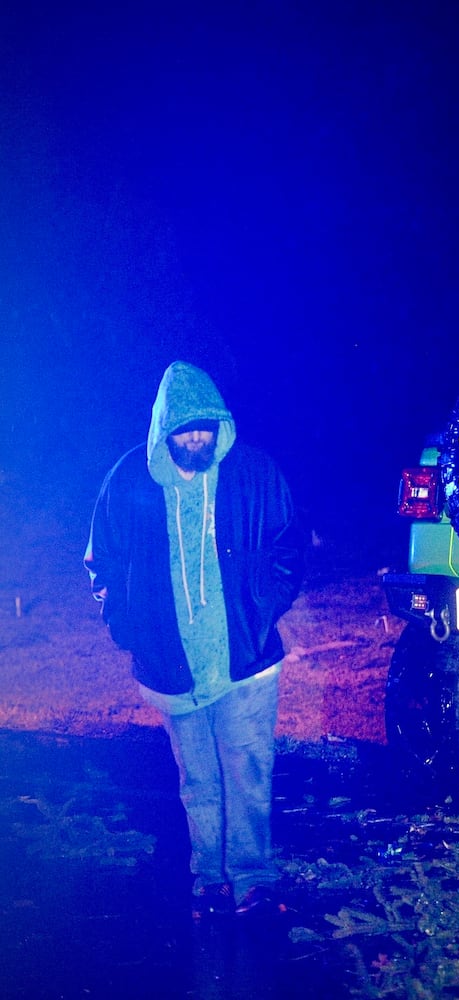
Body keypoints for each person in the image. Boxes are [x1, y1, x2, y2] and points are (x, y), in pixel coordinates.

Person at [85, 361, 306, 919]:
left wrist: (261, 610)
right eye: (184, 429)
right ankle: (208, 879)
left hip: (246, 663)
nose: (196, 438)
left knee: (248, 774)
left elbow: (288, 548)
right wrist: (128, 627)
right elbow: (102, 562)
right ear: (164, 429)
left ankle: (254, 879)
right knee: (200, 781)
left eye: (205, 427)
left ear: (220, 425)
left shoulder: (253, 473)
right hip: (172, 666)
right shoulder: (128, 480)